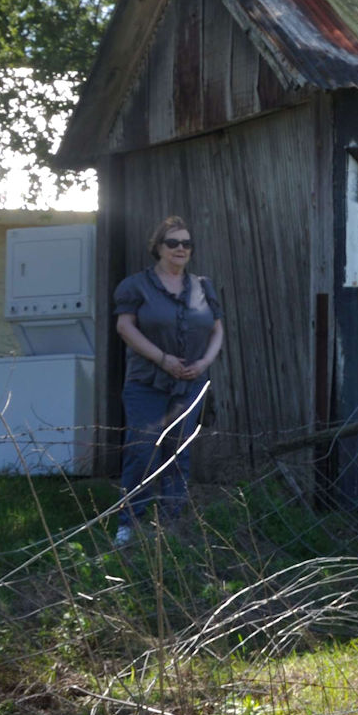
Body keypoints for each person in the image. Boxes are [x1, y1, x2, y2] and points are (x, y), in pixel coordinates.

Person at [112, 216, 224, 545]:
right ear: (158, 248)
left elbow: (217, 330)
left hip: (190, 384)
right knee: (142, 451)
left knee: (179, 453)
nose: (180, 249)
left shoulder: (203, 287)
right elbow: (125, 328)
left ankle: (171, 525)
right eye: (173, 243)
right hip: (146, 383)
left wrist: (204, 362)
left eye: (186, 243)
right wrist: (162, 359)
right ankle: (129, 524)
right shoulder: (137, 285)